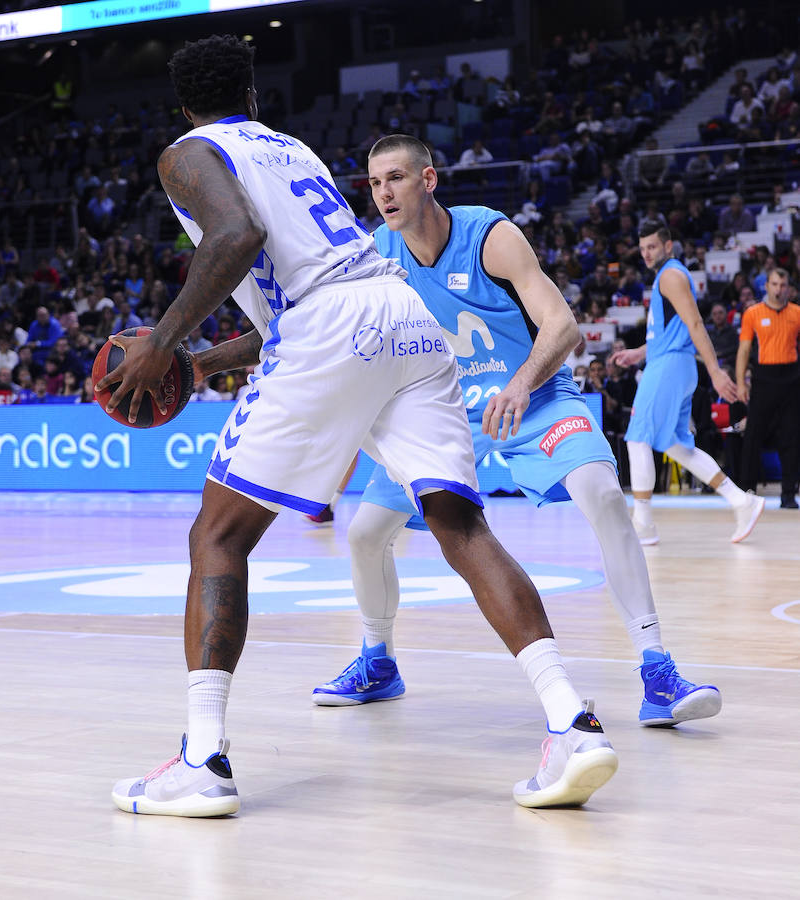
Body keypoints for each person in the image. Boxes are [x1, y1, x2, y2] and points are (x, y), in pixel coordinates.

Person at [97, 36, 617, 817]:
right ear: (255, 98)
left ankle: (202, 759)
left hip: (330, 331)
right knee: (461, 525)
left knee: (218, 537)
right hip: (400, 317)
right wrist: (205, 362)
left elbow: (237, 238)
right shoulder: (292, 149)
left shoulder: (186, 153)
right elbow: (315, 286)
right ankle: (571, 724)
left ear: (183, 109)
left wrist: (162, 345)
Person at [309, 134, 721, 737]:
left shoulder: (489, 236)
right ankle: (378, 661)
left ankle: (658, 672)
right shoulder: (380, 253)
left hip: (534, 396)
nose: (383, 194)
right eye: (373, 183)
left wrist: (523, 382)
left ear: (429, 180)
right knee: (366, 534)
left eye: (395, 178)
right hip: (445, 413)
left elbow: (563, 326)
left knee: (604, 496)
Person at [611, 222, 764, 544]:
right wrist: (639, 353)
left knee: (637, 439)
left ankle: (644, 525)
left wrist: (716, 371)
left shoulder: (671, 275)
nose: (646, 253)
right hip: (671, 364)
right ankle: (742, 501)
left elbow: (695, 323)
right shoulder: (667, 276)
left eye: (652, 246)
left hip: (669, 367)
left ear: (668, 245)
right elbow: (671, 332)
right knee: (675, 446)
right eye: (642, 249)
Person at [735, 268, 800, 508]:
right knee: (753, 436)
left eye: (783, 285)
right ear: (767, 286)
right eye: (774, 284)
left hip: (791, 378)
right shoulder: (752, 313)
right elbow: (743, 350)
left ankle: (788, 495)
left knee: (792, 437)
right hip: (764, 378)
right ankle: (747, 492)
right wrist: (741, 382)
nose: (779, 289)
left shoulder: (797, 313)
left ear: (788, 288)